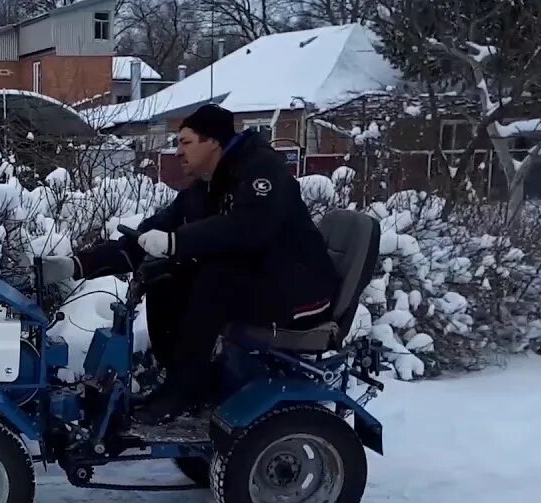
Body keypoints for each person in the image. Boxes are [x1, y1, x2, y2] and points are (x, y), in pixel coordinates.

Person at [41, 104, 341, 424]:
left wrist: (177, 242)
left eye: (185, 142)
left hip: (304, 292)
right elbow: (152, 235)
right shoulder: (205, 189)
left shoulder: (261, 169)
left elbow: (251, 226)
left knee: (214, 281)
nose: (178, 152)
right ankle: (180, 381)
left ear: (212, 141)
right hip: (261, 282)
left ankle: (185, 388)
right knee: (166, 276)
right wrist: (78, 265)